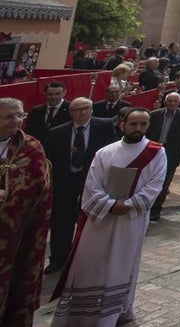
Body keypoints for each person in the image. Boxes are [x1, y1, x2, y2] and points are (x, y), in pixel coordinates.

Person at [50, 107, 167, 327]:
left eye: (143, 124)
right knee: (91, 262)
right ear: (122, 124)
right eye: (133, 124)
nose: (138, 128)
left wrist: (128, 205)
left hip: (131, 221)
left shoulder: (157, 152)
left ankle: (114, 312)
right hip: (101, 219)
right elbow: (91, 186)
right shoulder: (105, 152)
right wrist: (111, 205)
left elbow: (154, 186)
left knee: (122, 264)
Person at [44, 98, 117, 273]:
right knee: (61, 222)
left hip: (93, 181)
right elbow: (50, 159)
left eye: (85, 108)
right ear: (70, 112)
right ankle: (58, 259)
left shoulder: (104, 126)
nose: (81, 112)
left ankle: (88, 259)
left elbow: (112, 154)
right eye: (76, 109)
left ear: (92, 110)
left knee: (91, 222)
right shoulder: (57, 132)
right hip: (66, 182)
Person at [0, 98, 52, 327]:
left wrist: (11, 196)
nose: (16, 121)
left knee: (14, 283)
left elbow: (41, 186)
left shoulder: (31, 147)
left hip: (16, 233)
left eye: (19, 115)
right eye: (9, 116)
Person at [146, 91, 180, 221]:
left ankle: (156, 209)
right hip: (153, 151)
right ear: (165, 102)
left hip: (171, 153)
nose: (172, 103)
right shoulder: (155, 115)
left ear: (179, 102)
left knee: (164, 183)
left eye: (175, 101)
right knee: (149, 179)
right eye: (170, 101)